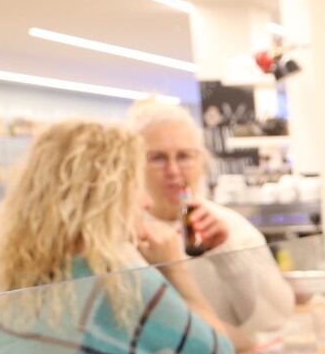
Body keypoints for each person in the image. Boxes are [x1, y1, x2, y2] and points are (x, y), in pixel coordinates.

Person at [0, 120, 237, 354]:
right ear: (108, 196)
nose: (146, 203)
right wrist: (175, 270)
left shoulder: (17, 270)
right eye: (133, 186)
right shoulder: (124, 281)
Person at [124, 98, 293, 335]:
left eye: (184, 156)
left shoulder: (233, 227)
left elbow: (274, 323)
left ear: (201, 160)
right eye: (157, 158)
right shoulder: (122, 236)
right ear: (133, 165)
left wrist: (228, 254)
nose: (173, 171)